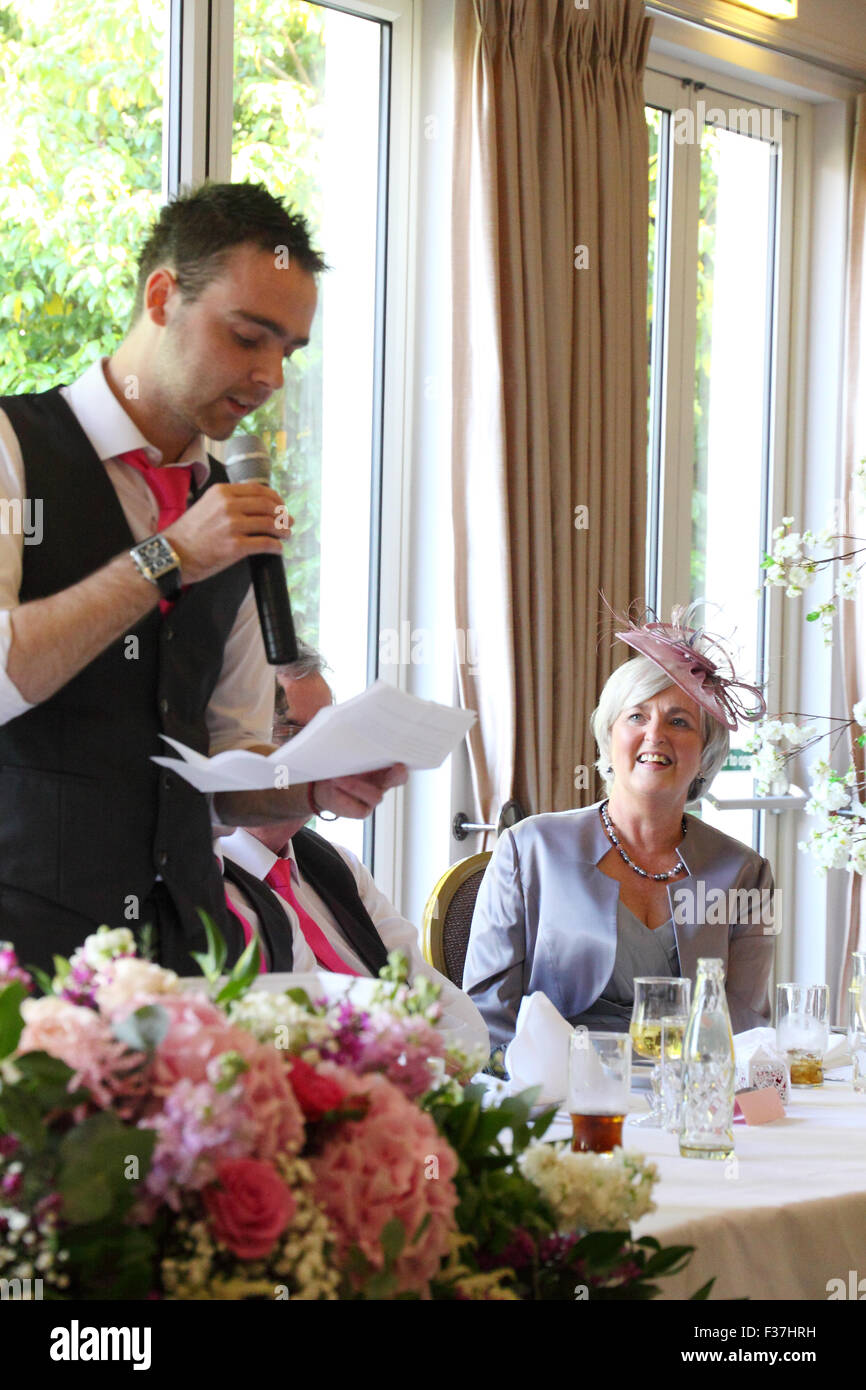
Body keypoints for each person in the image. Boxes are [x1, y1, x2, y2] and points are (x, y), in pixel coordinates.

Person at [0, 182, 405, 974]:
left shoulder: (232, 507)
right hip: (21, 965)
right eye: (248, 336)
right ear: (162, 297)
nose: (268, 377)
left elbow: (224, 771)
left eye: (287, 351)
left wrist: (311, 787)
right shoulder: (12, 449)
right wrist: (168, 557)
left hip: (186, 962)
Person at [463, 607, 774, 1047]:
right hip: (557, 1091)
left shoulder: (748, 872)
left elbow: (745, 1021)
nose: (655, 735)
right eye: (636, 716)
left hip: (683, 1092)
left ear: (705, 754)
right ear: (608, 738)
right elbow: (488, 1013)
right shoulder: (527, 848)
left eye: (679, 721)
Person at [218, 650, 489, 1053]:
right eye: (290, 732)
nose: (316, 756)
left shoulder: (339, 866)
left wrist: (453, 1057)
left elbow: (429, 990)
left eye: (326, 735)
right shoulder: (208, 884)